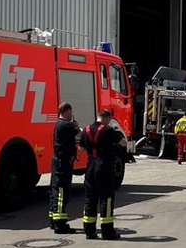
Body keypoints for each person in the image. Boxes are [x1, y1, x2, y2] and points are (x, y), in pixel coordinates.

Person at [79, 109, 128, 240]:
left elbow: (81, 148)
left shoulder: (87, 129)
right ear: (107, 118)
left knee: (90, 199)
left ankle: (89, 231)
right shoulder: (108, 130)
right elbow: (123, 143)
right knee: (106, 199)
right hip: (104, 168)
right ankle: (107, 231)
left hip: (90, 167)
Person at [50, 102, 79, 234]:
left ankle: (53, 220)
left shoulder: (58, 124)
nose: (71, 115)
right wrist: (77, 126)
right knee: (62, 193)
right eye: (71, 112)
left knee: (55, 191)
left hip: (58, 162)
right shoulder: (67, 125)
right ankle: (60, 224)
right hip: (63, 163)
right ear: (66, 111)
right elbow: (81, 135)